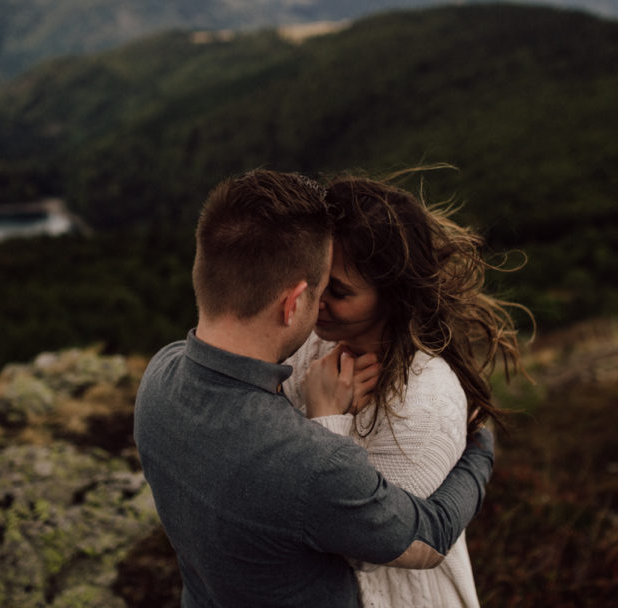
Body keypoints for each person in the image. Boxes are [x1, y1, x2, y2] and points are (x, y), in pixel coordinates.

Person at [133, 169, 496, 608]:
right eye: (321, 288)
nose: (322, 307)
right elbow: (425, 534)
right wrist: (481, 452)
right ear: (292, 303)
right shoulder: (311, 464)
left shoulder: (157, 376)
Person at [283, 171, 528, 608]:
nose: (315, 299)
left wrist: (324, 420)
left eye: (338, 291)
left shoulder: (426, 404)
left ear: (392, 297)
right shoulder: (312, 339)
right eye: (314, 278)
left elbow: (362, 547)